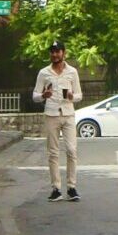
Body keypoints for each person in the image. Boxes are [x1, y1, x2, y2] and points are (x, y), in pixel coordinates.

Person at [32, 40, 83, 201]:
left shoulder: (72, 72)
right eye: (52, 51)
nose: (55, 54)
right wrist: (43, 96)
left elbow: (80, 95)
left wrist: (71, 97)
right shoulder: (44, 73)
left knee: (71, 150)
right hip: (52, 114)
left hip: (68, 114)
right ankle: (56, 188)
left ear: (63, 53)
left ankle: (72, 187)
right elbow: (34, 95)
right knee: (53, 153)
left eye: (57, 51)